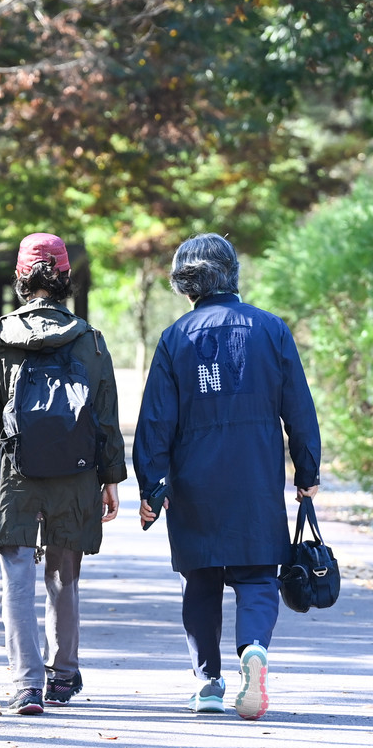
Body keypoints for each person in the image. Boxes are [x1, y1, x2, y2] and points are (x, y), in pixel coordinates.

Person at [133, 233, 321, 721]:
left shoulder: (175, 337)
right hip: (255, 475)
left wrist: (151, 484)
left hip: (194, 480)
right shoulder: (271, 329)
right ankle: (253, 648)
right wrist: (307, 471)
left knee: (200, 579)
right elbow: (299, 410)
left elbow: (155, 420)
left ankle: (208, 683)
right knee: (258, 574)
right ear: (233, 273)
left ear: (185, 283)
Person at [0, 232, 126, 716]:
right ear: (66, 277)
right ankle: (64, 674)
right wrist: (111, 478)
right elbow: (105, 417)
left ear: (20, 277)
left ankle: (26, 684)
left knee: (17, 574)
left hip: (13, 470)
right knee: (64, 572)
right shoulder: (89, 340)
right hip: (75, 473)